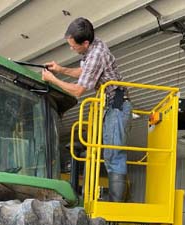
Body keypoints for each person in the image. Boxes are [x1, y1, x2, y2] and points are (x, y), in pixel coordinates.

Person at [42, 17, 132, 202]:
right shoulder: (93, 47)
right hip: (109, 103)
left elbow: (77, 91)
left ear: (84, 42)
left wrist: (52, 79)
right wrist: (59, 69)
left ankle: (117, 205)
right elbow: (84, 72)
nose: (71, 48)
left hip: (117, 103)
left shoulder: (97, 54)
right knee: (108, 153)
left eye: (73, 45)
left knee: (113, 153)